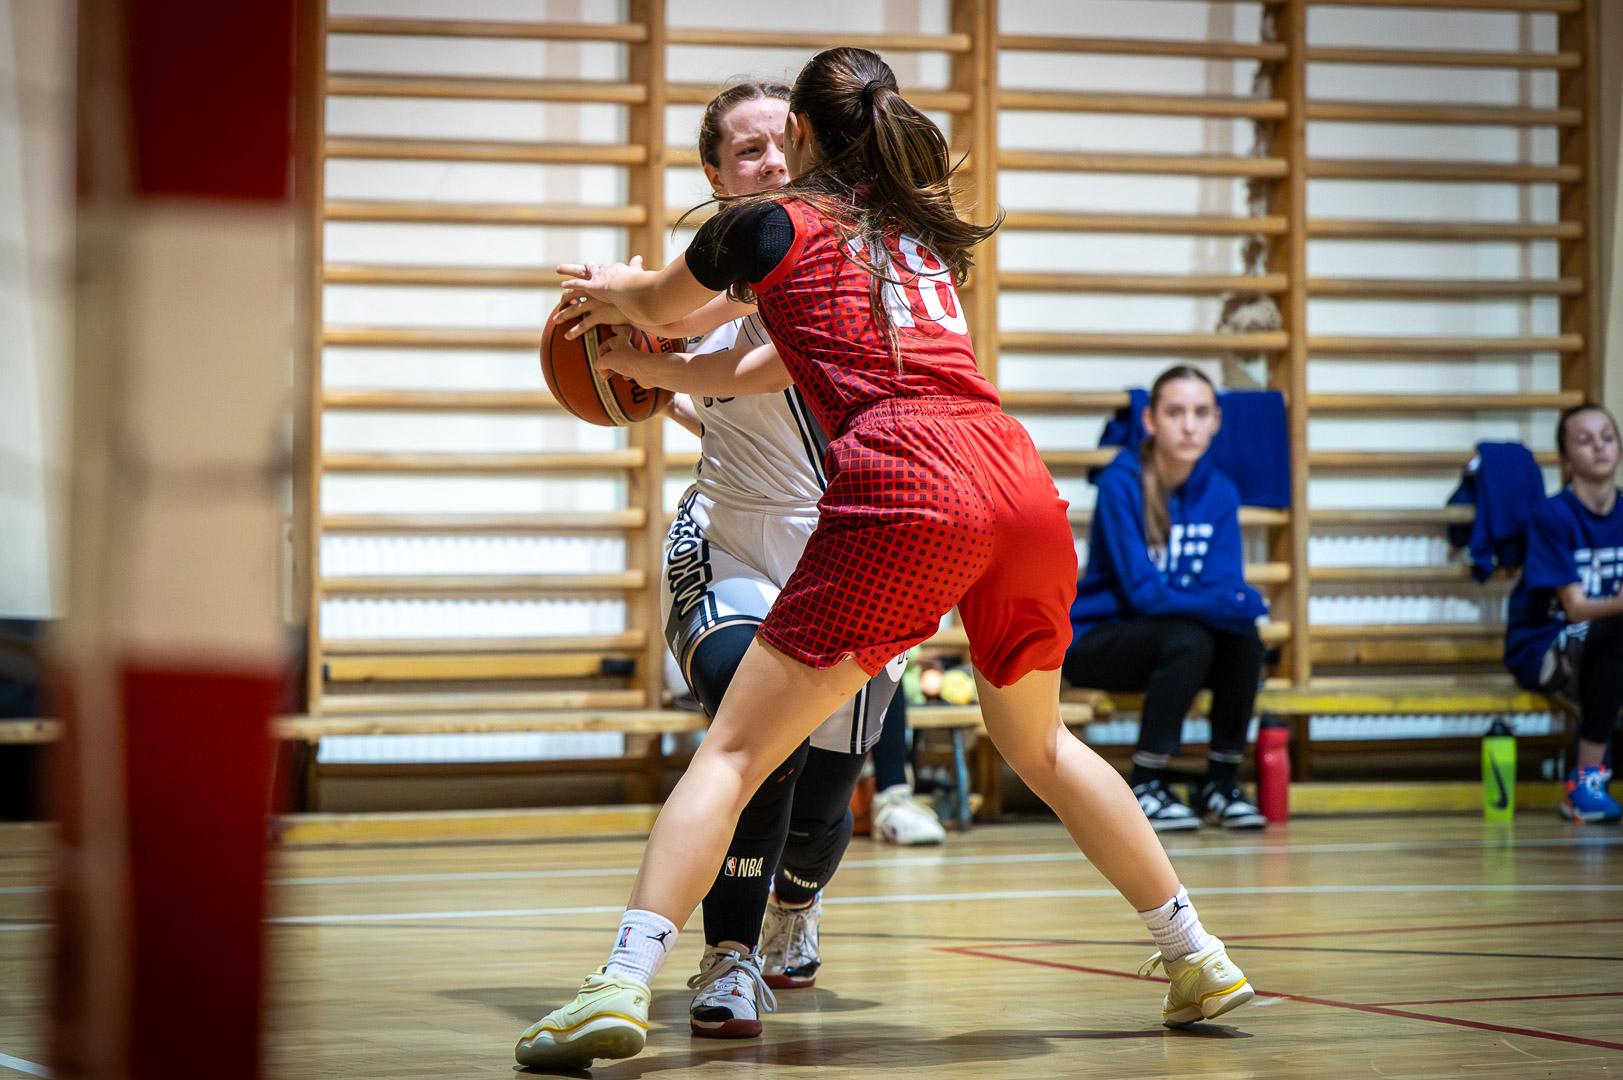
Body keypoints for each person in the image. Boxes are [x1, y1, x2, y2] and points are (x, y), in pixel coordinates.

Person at [514, 48, 1254, 1070]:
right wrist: (655, 354)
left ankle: (620, 981)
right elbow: (760, 355)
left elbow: (654, 301)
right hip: (1017, 481)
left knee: (732, 753)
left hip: (910, 484)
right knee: (1038, 745)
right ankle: (1196, 950)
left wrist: (615, 300)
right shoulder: (909, 232)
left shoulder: (763, 224)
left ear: (802, 136)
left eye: (779, 137)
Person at [560, 80, 905, 1038]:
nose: (772, 162)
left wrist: (647, 350)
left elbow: (759, 366)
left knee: (825, 804)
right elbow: (706, 388)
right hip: (730, 535)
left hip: (846, 543)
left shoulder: (829, 255)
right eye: (747, 151)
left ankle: (796, 899)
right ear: (714, 174)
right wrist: (628, 358)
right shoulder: (698, 275)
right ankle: (728, 957)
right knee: (753, 731)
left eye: (781, 142)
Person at [1063, 367, 1269, 831]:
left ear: (1216, 421)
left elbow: (1223, 587)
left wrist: (1232, 606)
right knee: (1192, 637)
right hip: (1100, 638)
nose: (1189, 426)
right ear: (1150, 420)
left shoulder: (1220, 491)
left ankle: (1221, 783)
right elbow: (1144, 595)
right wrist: (1229, 603)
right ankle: (1147, 784)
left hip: (1174, 641)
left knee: (1244, 639)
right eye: (1175, 413)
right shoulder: (1120, 483)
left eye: (1201, 413)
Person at [1504, 403, 1623, 823]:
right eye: (1585, 440)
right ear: (1565, 460)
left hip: (1606, 646)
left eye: (1608, 437)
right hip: (1545, 647)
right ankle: (1584, 783)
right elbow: (1575, 610)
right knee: (1617, 631)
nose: (1600, 447)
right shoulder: (1551, 515)